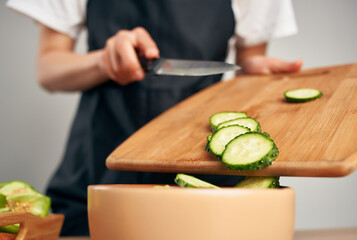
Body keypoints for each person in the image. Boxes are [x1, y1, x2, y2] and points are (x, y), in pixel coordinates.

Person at [7, 0, 302, 236]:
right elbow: (48, 68)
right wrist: (102, 62)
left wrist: (252, 75)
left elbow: (247, 60)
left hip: (201, 167)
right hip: (99, 161)